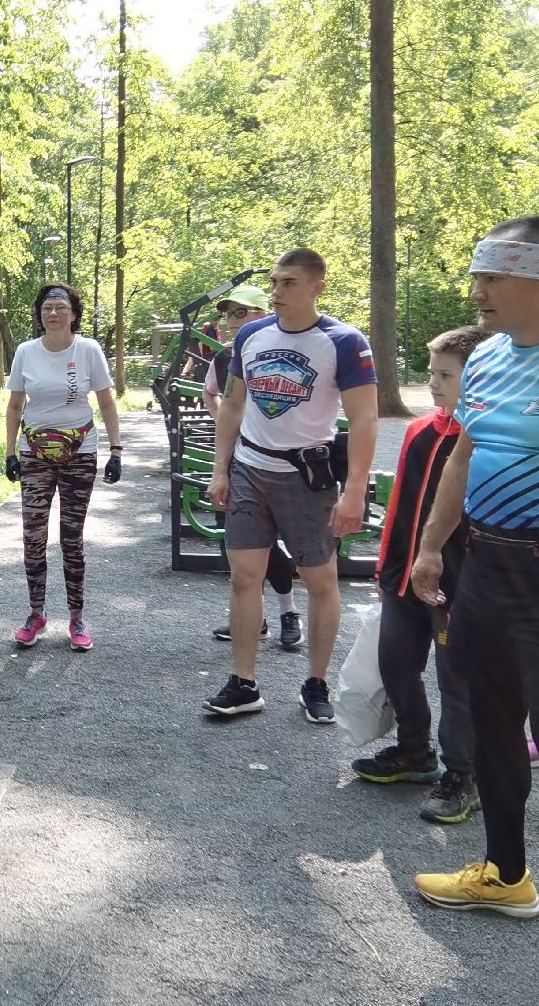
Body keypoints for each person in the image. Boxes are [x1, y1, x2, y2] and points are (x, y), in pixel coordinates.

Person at [408, 217, 539, 971]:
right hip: (487, 567)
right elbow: (463, 456)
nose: (477, 290)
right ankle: (507, 876)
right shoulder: (484, 362)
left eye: (493, 275)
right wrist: (430, 547)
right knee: (489, 726)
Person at [203, 247, 379, 722]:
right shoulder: (252, 336)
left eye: (288, 283)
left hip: (307, 477)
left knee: (320, 580)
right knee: (244, 576)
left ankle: (315, 682)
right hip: (248, 470)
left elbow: (364, 418)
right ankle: (245, 683)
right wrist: (221, 469)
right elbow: (234, 407)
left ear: (316, 287)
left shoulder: (344, 342)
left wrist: (355, 491)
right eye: (276, 283)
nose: (277, 292)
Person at [350, 325, 491, 823]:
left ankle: (464, 776)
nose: (434, 383)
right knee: (396, 664)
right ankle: (415, 752)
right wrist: (387, 566)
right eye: (431, 373)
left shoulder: (492, 439)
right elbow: (400, 509)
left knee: (458, 684)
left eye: (446, 375)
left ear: (479, 377)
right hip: (402, 577)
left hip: (457, 588)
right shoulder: (420, 430)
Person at [4, 282, 123, 651]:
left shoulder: (88, 350)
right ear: (39, 315)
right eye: (46, 308)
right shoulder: (26, 352)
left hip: (79, 453)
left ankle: (76, 617)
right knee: (33, 538)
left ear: (73, 313)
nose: (52, 313)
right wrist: (10, 451)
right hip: (35, 454)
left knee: (71, 539)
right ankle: (36, 612)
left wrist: (116, 451)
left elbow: (105, 402)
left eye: (60, 307)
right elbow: (14, 405)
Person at [202, 283, 303, 650]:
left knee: (278, 542)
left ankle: (288, 611)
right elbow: (212, 393)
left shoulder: (292, 350)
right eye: (230, 314)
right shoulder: (224, 358)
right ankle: (253, 618)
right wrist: (224, 423)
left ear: (267, 313)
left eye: (242, 313)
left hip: (282, 463)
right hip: (238, 457)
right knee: (242, 541)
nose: (233, 321)